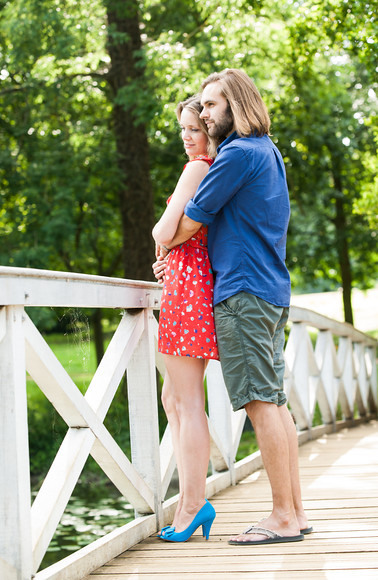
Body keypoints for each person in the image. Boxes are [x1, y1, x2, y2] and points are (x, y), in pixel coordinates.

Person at [159, 69, 312, 546]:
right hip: (269, 288)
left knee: (260, 403)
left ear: (238, 104)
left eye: (211, 105)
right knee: (276, 402)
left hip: (243, 291)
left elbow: (182, 227)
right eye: (201, 106)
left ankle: (282, 516)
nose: (203, 114)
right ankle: (296, 512)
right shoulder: (268, 150)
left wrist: (166, 248)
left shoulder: (236, 155)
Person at [152, 96, 218, 542]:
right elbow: (177, 238)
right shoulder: (213, 167)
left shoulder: (198, 167)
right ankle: (190, 499)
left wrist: (167, 242)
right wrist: (170, 253)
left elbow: (161, 231)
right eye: (182, 131)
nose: (187, 139)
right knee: (173, 399)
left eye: (194, 129)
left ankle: (194, 502)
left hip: (189, 291)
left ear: (210, 130)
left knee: (187, 401)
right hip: (187, 284)